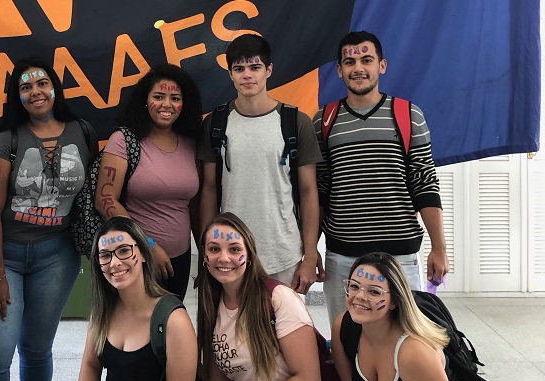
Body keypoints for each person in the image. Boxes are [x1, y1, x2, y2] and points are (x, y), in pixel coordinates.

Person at [0, 56, 96, 381]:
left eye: (42, 84)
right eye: (26, 87)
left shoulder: (82, 132)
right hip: (2, 257)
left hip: (57, 255)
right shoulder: (5, 140)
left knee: (37, 349)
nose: (36, 92)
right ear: (17, 96)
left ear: (55, 88)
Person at [313, 30, 449, 326]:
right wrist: (311, 249)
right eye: (349, 62)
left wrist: (439, 247)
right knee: (345, 336)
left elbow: (425, 183)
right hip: (343, 255)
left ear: (381, 66)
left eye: (366, 59)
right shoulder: (323, 120)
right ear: (339, 70)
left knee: (407, 337)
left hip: (400, 255)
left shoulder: (408, 115)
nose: (358, 68)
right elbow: (319, 192)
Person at [8, 216, 198, 381]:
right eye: (105, 255)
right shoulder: (105, 309)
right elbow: (91, 365)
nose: (115, 263)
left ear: (143, 253)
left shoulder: (174, 319)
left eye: (124, 251)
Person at [197, 34, 324, 294]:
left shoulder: (294, 121)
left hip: (284, 254)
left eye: (255, 67)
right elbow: (209, 190)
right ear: (230, 74)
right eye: (239, 68)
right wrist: (206, 250)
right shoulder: (216, 123)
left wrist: (310, 254)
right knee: (232, 332)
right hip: (228, 255)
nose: (247, 75)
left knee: (284, 332)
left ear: (268, 70)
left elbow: (310, 192)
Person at [197, 212, 329, 381]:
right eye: (214, 249)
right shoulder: (212, 306)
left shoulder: (279, 297)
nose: (223, 258)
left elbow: (308, 379)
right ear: (204, 257)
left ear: (249, 254)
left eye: (234, 249)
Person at [95, 63, 203, 300]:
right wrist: (149, 246)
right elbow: (105, 200)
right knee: (136, 332)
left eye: (175, 98)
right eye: (158, 96)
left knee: (167, 329)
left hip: (180, 260)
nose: (167, 104)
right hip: (134, 256)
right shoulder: (123, 140)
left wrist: (205, 253)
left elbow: (193, 206)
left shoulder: (191, 142)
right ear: (145, 100)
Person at [331, 252, 478, 381]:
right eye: (354, 287)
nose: (359, 297)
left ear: (394, 301)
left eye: (374, 291)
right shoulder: (342, 327)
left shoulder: (414, 352)